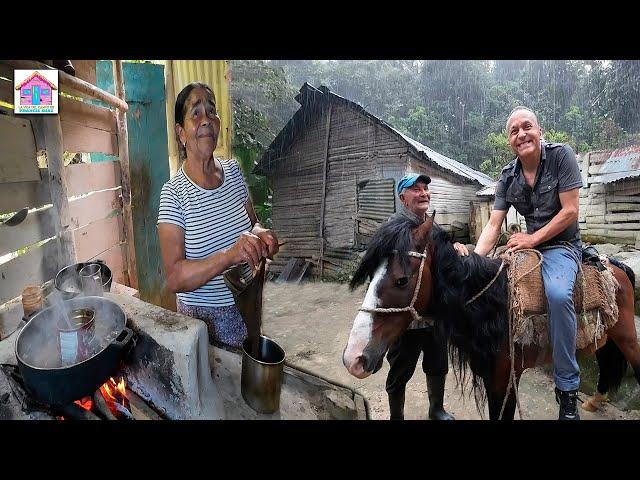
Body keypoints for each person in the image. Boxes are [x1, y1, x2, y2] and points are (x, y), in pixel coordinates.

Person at [474, 106, 583, 420]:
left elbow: (570, 211)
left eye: (527, 127)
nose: (521, 134)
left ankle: (567, 390)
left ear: (539, 131)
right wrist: (473, 262)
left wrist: (532, 239)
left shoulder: (562, 157)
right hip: (528, 250)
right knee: (493, 290)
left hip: (562, 246)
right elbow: (494, 226)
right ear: (509, 141)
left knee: (559, 295)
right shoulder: (508, 176)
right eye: (513, 131)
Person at [157, 82, 279, 349]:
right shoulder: (173, 194)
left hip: (247, 306)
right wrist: (231, 255)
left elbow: (252, 222)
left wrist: (260, 234)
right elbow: (176, 277)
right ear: (181, 133)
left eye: (211, 112)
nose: (206, 120)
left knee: (248, 385)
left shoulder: (233, 172)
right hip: (204, 324)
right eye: (196, 113)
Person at [385, 173, 468, 420]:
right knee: (400, 370)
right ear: (403, 197)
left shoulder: (432, 225)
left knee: (437, 364)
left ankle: (436, 410)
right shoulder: (394, 229)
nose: (423, 193)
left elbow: (443, 248)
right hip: (406, 320)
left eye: (425, 189)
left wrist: (455, 248)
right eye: (415, 189)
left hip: (434, 315)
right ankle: (396, 416)